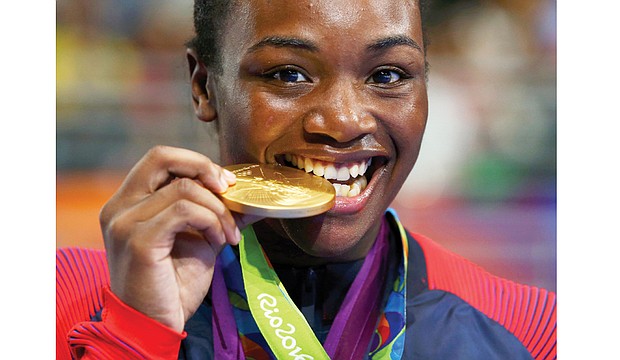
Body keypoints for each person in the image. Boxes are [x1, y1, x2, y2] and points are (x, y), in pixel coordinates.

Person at [56, 0, 556, 359]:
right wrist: (135, 336)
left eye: (387, 75)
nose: (343, 122)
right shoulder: (58, 299)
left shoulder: (532, 332)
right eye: (288, 75)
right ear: (204, 86)